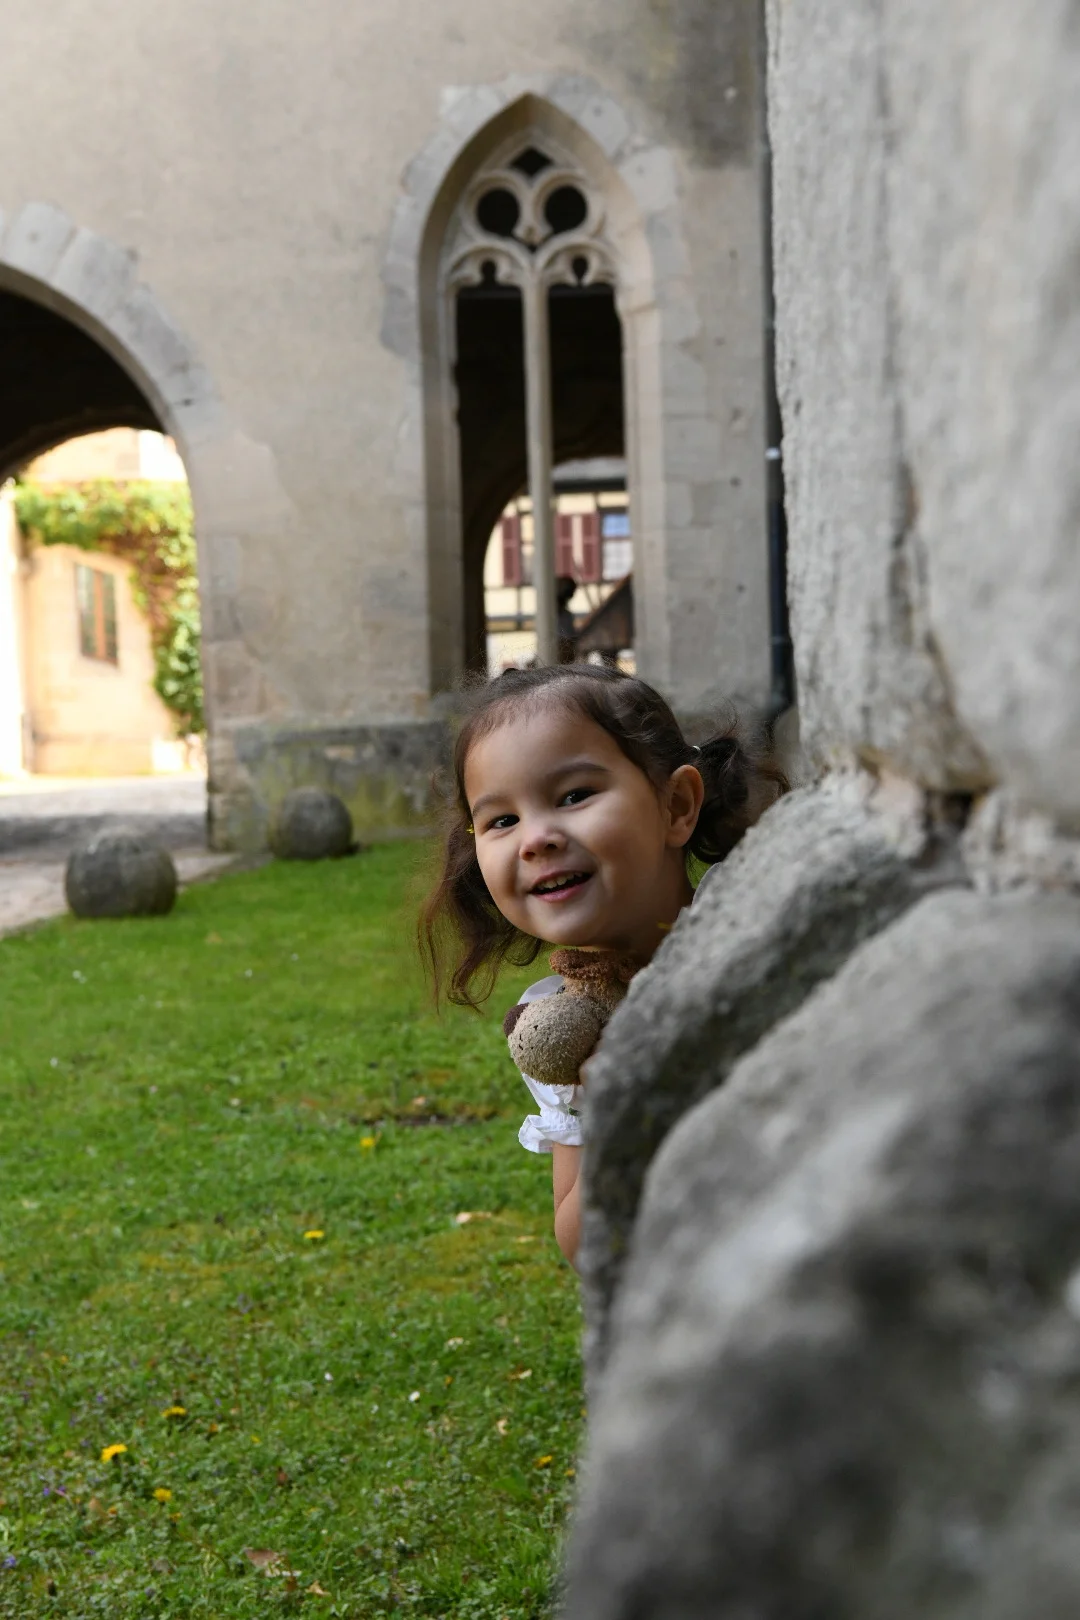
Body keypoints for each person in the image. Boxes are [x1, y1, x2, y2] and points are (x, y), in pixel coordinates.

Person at [419, 665, 787, 1267]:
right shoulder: (565, 1035)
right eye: (502, 820)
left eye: (573, 796)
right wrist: (616, 1111)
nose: (535, 839)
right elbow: (583, 1244)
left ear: (677, 805)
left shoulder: (747, 921)